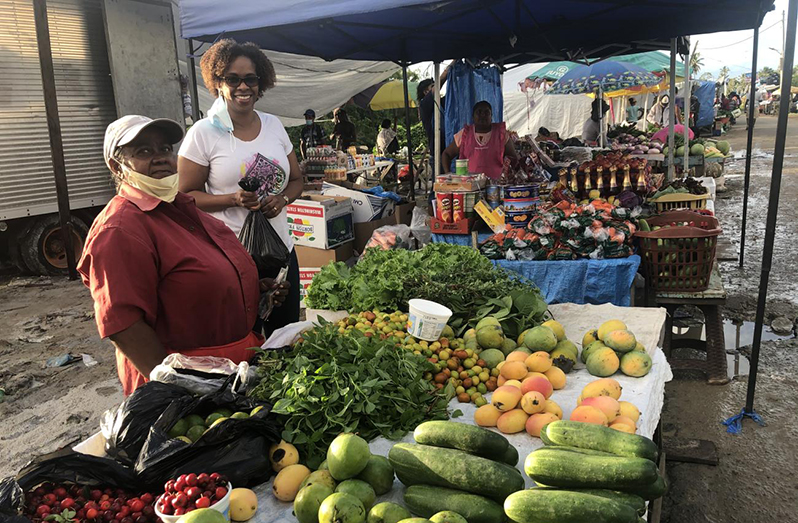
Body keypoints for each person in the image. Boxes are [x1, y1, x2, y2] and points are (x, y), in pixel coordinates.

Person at [79, 115, 289, 395]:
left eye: (165, 149)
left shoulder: (183, 209)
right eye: (143, 151)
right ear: (117, 166)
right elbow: (123, 325)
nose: (160, 158)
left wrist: (253, 291)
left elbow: (194, 281)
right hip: (191, 386)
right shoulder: (120, 228)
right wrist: (180, 389)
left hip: (231, 373)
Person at [177, 38, 302, 337]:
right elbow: (184, 196)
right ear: (218, 83)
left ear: (261, 84)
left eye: (250, 79)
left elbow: (297, 180)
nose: (243, 87)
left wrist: (282, 199)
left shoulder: (274, 125)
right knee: (242, 337)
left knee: (283, 335)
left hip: (281, 250)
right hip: (230, 255)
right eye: (232, 79)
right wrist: (232, 199)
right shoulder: (204, 133)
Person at [440, 100, 518, 179]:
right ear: (473, 117)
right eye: (479, 112)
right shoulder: (464, 134)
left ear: (491, 116)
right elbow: (446, 154)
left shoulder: (501, 134)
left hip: (495, 187)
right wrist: (448, 174)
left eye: (486, 112)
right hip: (469, 187)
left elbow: (513, 158)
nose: (483, 115)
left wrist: (511, 177)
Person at [418, 66, 451, 172]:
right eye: (432, 86)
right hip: (438, 154)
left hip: (450, 151)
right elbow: (441, 80)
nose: (436, 88)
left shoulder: (441, 103)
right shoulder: (425, 104)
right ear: (425, 92)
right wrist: (450, 67)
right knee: (440, 185)